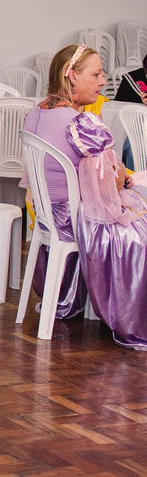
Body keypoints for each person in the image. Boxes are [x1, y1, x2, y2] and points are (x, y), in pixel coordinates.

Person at [20, 44, 104, 321]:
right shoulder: (80, 122)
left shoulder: (34, 112)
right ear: (72, 76)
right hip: (72, 219)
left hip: (43, 215)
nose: (103, 81)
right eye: (97, 74)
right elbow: (107, 182)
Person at [66, 112, 147, 350]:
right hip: (110, 220)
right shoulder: (103, 160)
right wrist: (122, 175)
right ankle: (134, 316)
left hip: (88, 220)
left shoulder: (85, 161)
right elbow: (115, 187)